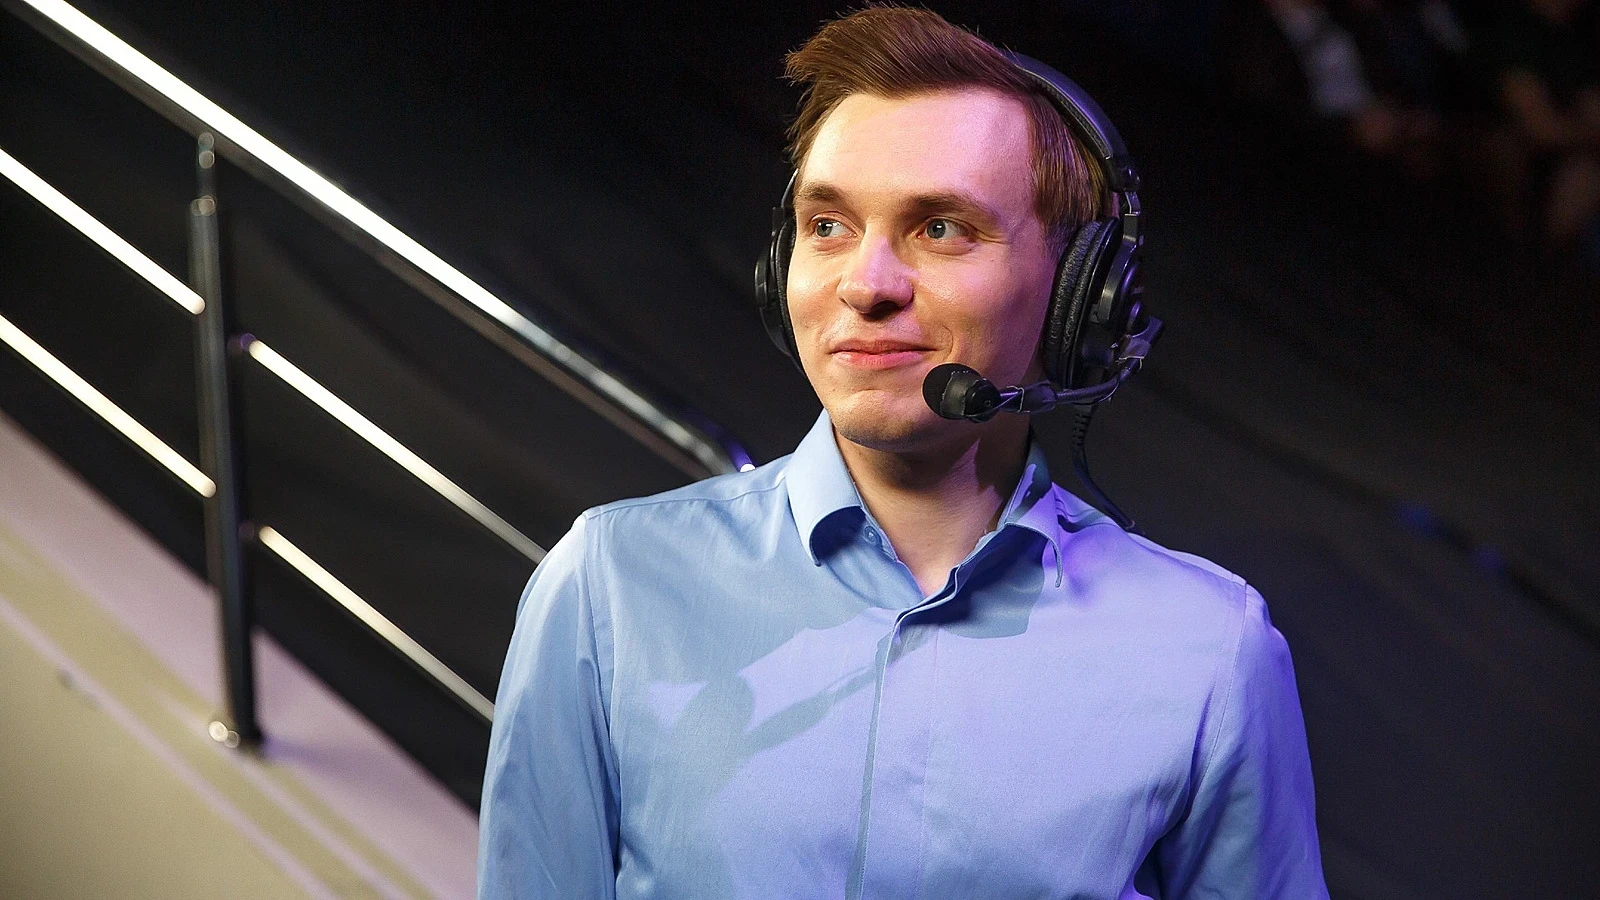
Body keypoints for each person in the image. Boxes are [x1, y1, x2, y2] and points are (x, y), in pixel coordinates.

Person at [479, 7, 1328, 898]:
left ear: (1081, 296)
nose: (866, 284)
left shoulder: (1209, 653)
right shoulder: (610, 587)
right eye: (828, 225)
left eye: (941, 229)